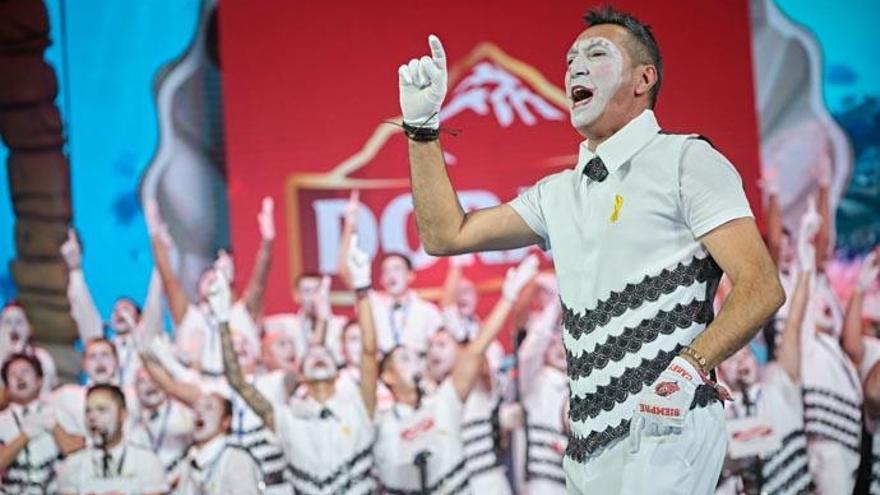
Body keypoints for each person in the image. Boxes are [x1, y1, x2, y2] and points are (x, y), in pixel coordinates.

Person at [396, 6, 784, 493]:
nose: (575, 67)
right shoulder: (556, 193)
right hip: (584, 447)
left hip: (667, 429)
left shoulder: (686, 160)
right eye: (570, 59)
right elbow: (445, 235)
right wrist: (422, 129)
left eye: (596, 54)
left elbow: (761, 286)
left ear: (644, 78)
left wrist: (688, 369)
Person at [220, 236, 380, 495]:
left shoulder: (360, 407)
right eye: (311, 355)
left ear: (338, 372)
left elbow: (370, 352)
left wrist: (361, 289)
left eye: (324, 354)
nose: (318, 355)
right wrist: (221, 322)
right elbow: (238, 382)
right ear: (300, 376)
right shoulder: (286, 419)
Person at [373, 254, 537, 494]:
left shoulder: (460, 386)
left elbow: (475, 350)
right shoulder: (432, 396)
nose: (434, 352)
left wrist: (508, 298)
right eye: (431, 347)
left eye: (443, 345)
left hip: (488, 483)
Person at [715, 210, 816, 495]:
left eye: (744, 356)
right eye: (732, 361)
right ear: (722, 372)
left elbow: (793, 325)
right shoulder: (720, 415)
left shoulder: (778, 385)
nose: (741, 363)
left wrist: (806, 265)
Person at [147, 197, 272, 377]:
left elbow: (260, 280)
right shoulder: (188, 315)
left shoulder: (241, 313)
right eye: (208, 279)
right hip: (199, 388)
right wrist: (154, 234)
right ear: (198, 290)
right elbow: (168, 278)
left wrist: (268, 240)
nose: (213, 281)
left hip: (245, 387)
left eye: (218, 278)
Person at [337, 191, 442, 354]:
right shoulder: (371, 303)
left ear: (410, 275)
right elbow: (345, 271)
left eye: (397, 269)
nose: (391, 274)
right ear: (381, 279)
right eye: (386, 271)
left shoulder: (428, 312)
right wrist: (350, 225)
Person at [62, 227, 164, 388]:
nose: (119, 313)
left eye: (126, 309)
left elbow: (154, 305)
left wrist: (161, 266)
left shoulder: (147, 342)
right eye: (115, 310)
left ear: (139, 318)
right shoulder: (102, 343)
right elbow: (83, 311)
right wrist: (75, 270)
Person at [56, 384, 169, 495]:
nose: (92, 417)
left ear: (123, 414)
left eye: (102, 410)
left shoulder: (146, 462)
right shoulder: (73, 465)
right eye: (88, 411)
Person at [512, 295, 568, 495]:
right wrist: (555, 304)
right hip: (539, 485)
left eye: (567, 341)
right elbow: (529, 351)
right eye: (555, 341)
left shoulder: (581, 387)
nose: (561, 348)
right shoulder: (536, 381)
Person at [0, 353, 77, 494]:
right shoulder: (2, 420)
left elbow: (75, 450)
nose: (19, 377)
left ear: (39, 380)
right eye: (13, 374)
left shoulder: (58, 411)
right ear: (6, 387)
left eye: (25, 371)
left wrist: (54, 426)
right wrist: (24, 436)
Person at [174, 393, 264, 495]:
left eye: (209, 407)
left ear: (226, 421)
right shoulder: (188, 459)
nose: (199, 412)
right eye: (195, 408)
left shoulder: (236, 458)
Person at [126, 366, 194, 482]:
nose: (150, 385)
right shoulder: (131, 421)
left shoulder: (184, 414)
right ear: (135, 389)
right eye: (142, 381)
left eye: (154, 379)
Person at [263, 273, 348, 365]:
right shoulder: (285, 325)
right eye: (307, 291)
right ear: (296, 295)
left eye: (317, 291)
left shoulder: (341, 324)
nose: (313, 298)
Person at [0, 303, 58, 396]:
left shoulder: (43, 358)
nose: (13, 327)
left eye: (19, 322)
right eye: (7, 322)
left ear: (29, 329)